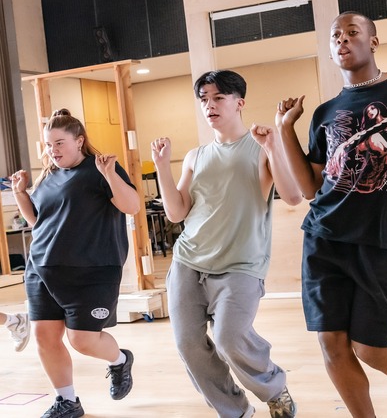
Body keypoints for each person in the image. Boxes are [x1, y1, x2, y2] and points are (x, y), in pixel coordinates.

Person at [275, 11, 387, 418]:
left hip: (384, 238)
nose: (342, 40)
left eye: (352, 32)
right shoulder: (325, 113)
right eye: (335, 36)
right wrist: (285, 129)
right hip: (324, 237)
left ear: (373, 41)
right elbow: (311, 188)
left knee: (371, 346)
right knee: (332, 344)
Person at [150, 69, 302, 418]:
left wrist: (274, 144)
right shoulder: (195, 156)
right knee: (189, 345)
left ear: (239, 102)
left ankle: (273, 387)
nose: (210, 105)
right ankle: (234, 411)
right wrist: (162, 168)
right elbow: (177, 213)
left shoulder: (259, 147)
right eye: (204, 99)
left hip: (240, 265)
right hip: (189, 261)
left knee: (229, 339)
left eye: (218, 97)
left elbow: (292, 195)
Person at [10, 108, 140, 418]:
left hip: (91, 272)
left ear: (79, 141)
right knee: (44, 336)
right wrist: (19, 193)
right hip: (42, 269)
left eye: (59, 143)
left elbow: (132, 206)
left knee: (82, 340)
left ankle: (120, 360)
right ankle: (66, 401)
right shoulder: (48, 177)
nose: (52, 151)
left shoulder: (100, 169)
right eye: (48, 145)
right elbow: (38, 222)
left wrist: (110, 174)